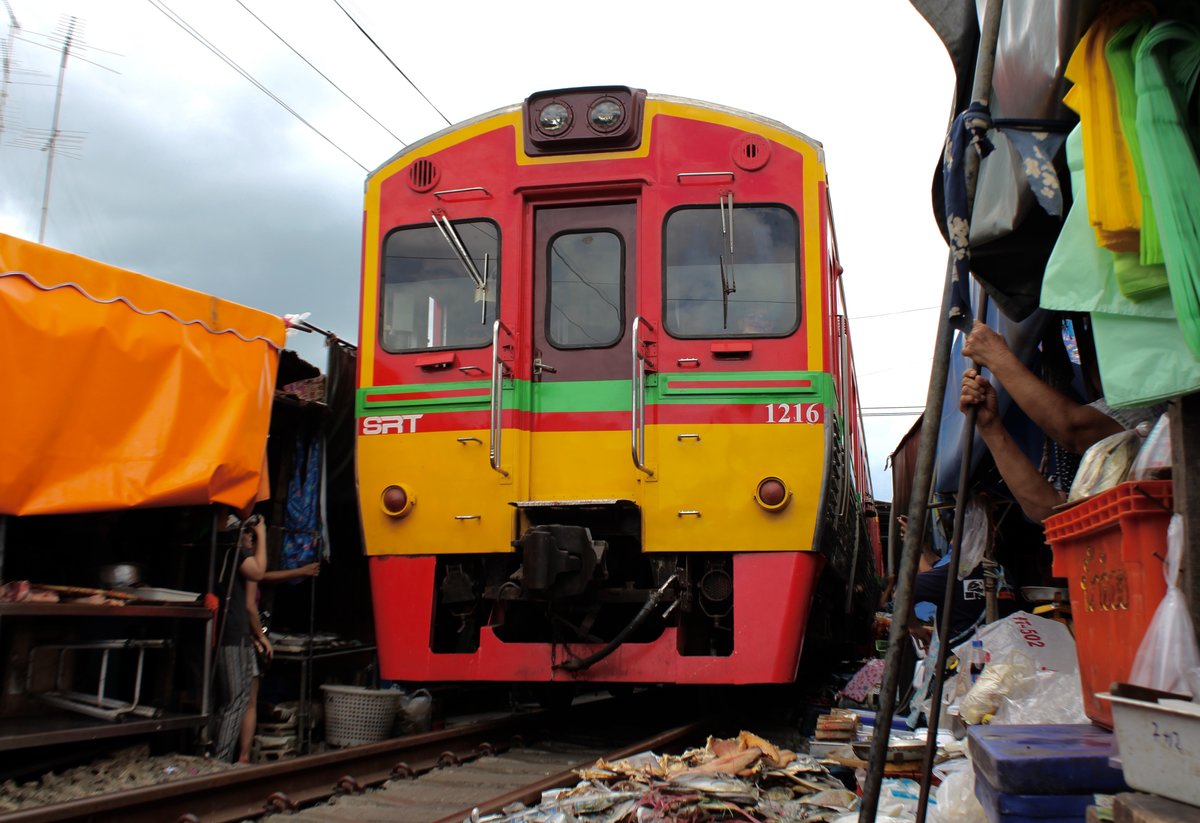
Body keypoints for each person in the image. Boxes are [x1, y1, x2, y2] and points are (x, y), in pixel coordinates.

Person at [959, 320, 1164, 523]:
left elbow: (1073, 428)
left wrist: (997, 357)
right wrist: (990, 427)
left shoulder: (1160, 402)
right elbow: (1049, 510)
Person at [213, 513, 271, 763]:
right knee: (236, 700)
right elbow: (258, 573)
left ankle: (221, 757)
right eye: (246, 532)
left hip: (230, 634)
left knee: (234, 699)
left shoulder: (218, 551)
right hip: (232, 634)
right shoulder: (233, 552)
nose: (249, 536)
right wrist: (263, 534)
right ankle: (221, 760)